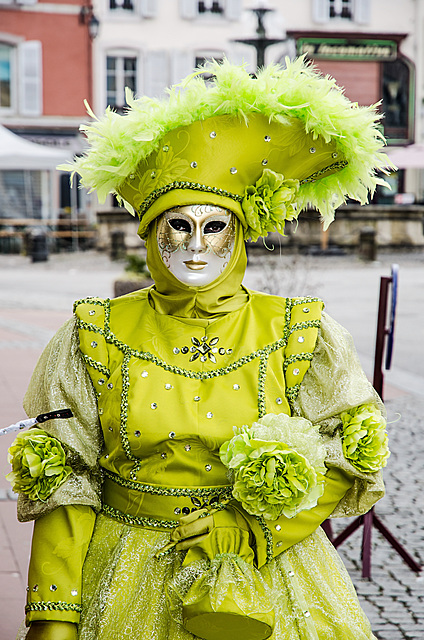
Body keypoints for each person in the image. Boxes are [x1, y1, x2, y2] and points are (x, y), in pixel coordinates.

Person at [9, 58, 391, 640]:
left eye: (213, 227)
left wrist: (257, 528)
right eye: (177, 226)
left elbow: (350, 449)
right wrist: (54, 618)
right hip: (127, 569)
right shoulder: (94, 333)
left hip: (268, 574)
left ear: (239, 235)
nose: (194, 245)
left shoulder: (298, 331)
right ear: (150, 233)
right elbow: (65, 476)